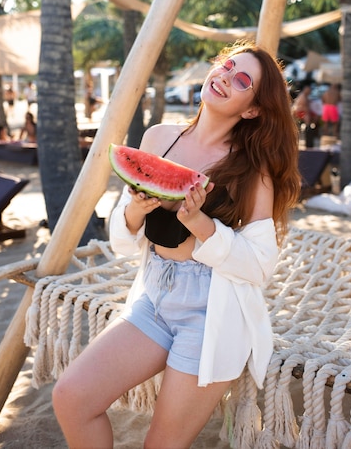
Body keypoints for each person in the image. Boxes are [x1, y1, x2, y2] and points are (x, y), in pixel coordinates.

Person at [53, 42, 301, 449]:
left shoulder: (252, 169)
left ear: (253, 108)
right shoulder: (159, 138)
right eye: (225, 65)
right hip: (155, 296)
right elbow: (123, 239)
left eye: (241, 80)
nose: (223, 76)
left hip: (211, 314)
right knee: (71, 398)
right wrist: (135, 209)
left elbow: (259, 266)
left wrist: (201, 224)